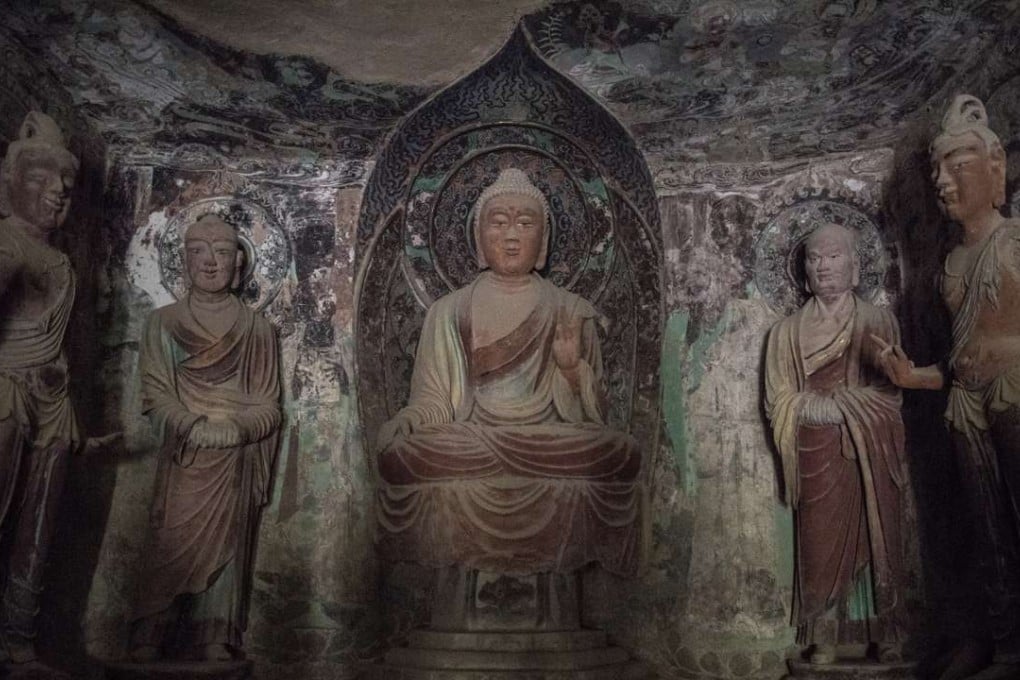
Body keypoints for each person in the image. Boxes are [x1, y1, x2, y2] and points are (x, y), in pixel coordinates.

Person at [375, 168, 641, 577]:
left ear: (543, 242)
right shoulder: (447, 311)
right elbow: (434, 401)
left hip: (546, 440)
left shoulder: (569, 310)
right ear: (478, 237)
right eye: (498, 223)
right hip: (470, 439)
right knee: (402, 454)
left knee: (616, 451)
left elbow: (595, 416)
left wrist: (572, 370)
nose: (512, 236)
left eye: (526, 223)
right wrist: (408, 420)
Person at [876, 94, 1020, 678]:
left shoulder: (1015, 243)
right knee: (982, 528)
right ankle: (1002, 641)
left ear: (995, 168)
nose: (943, 181)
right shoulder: (950, 265)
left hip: (1013, 394)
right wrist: (913, 376)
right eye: (938, 169)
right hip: (965, 406)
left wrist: (1004, 353)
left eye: (957, 165)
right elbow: (958, 358)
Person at [130, 214, 281, 662]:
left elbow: (268, 405)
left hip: (234, 455)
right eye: (198, 251)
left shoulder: (257, 330)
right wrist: (193, 426)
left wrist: (236, 429)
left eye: (222, 252)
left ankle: (214, 632)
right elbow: (156, 394)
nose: (210, 262)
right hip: (185, 452)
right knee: (167, 541)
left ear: (239, 263)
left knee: (229, 546)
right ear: (184, 260)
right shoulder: (162, 323)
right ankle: (149, 628)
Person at [765, 223, 907, 665]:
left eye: (833, 256)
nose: (823, 266)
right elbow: (778, 400)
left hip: (869, 450)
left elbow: (891, 395)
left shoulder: (878, 321)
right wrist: (817, 409)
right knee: (820, 543)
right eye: (814, 259)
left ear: (855, 267)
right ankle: (823, 633)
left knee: (878, 536)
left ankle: (884, 629)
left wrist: (849, 407)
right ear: (804, 272)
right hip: (816, 448)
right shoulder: (786, 332)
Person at [0, 111, 81, 663]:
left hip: (53, 404)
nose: (57, 191)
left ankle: (18, 642)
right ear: (9, 182)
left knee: (38, 529)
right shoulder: (6, 244)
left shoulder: (61, 262)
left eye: (65, 182)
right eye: (41, 177)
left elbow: (54, 341)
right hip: (6, 391)